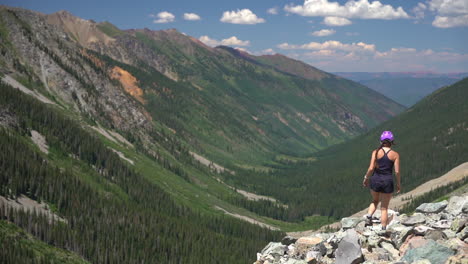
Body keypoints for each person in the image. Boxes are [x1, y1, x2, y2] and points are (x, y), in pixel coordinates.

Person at [362, 131, 400, 231]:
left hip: (375, 180)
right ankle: (383, 229)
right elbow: (397, 172)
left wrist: (366, 178)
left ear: (381, 141)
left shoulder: (375, 152)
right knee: (384, 208)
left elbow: (371, 168)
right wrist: (398, 184)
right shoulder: (395, 155)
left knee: (375, 201)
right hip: (387, 182)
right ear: (392, 141)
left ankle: (369, 216)